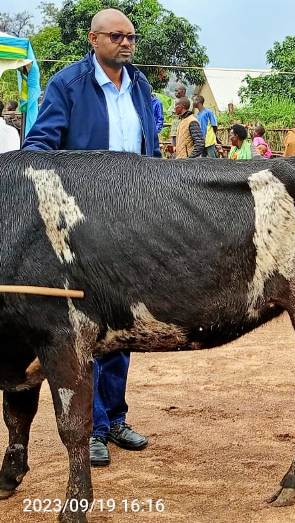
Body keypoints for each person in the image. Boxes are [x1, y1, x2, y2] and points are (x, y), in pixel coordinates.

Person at [23, 7, 157, 467]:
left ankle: (116, 418)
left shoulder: (140, 86)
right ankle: (95, 427)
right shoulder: (68, 84)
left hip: (134, 222)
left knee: (124, 325)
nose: (127, 44)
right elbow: (39, 145)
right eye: (117, 36)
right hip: (82, 228)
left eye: (132, 37)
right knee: (87, 328)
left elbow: (150, 151)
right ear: (93, 39)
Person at [169, 84, 186, 149]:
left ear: (183, 92)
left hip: (182, 129)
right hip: (174, 129)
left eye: (177, 91)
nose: (175, 93)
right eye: (175, 91)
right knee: (174, 148)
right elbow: (171, 112)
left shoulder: (187, 101)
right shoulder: (174, 101)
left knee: (181, 147)